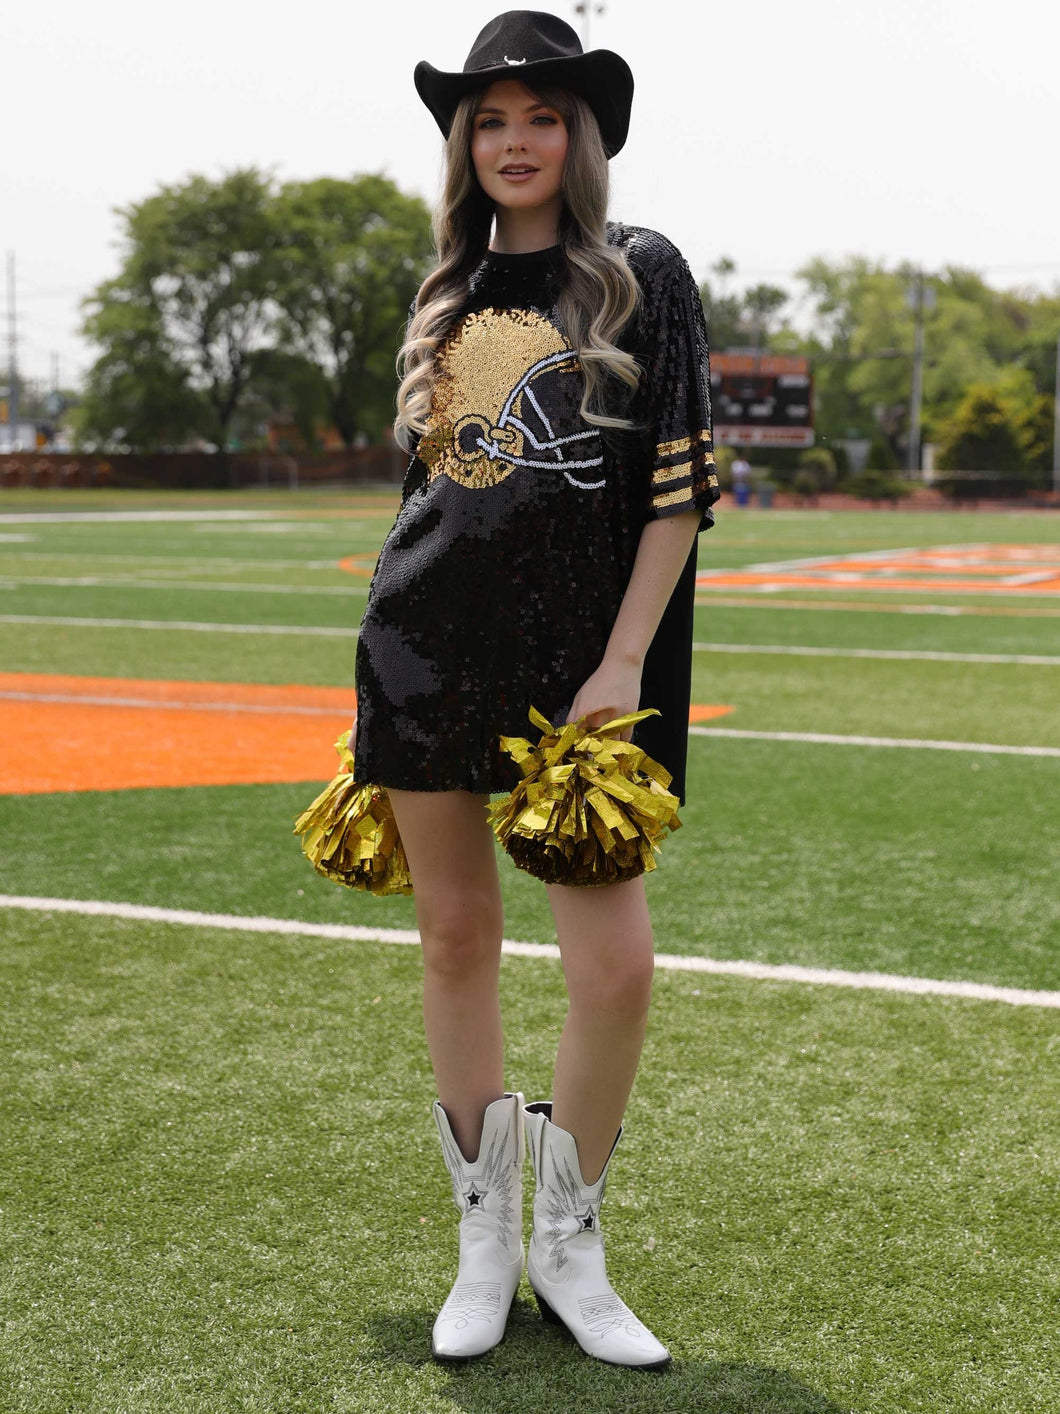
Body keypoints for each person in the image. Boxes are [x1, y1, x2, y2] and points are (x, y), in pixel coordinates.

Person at [349, 9, 720, 1371]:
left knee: (615, 965)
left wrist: (621, 660)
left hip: (582, 677)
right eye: (489, 120)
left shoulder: (643, 273)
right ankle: (484, 1248)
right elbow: (423, 500)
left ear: (583, 135)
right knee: (456, 940)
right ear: (466, 144)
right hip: (423, 645)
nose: (515, 141)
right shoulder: (445, 292)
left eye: (541, 116)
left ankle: (571, 1244)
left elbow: (679, 490)